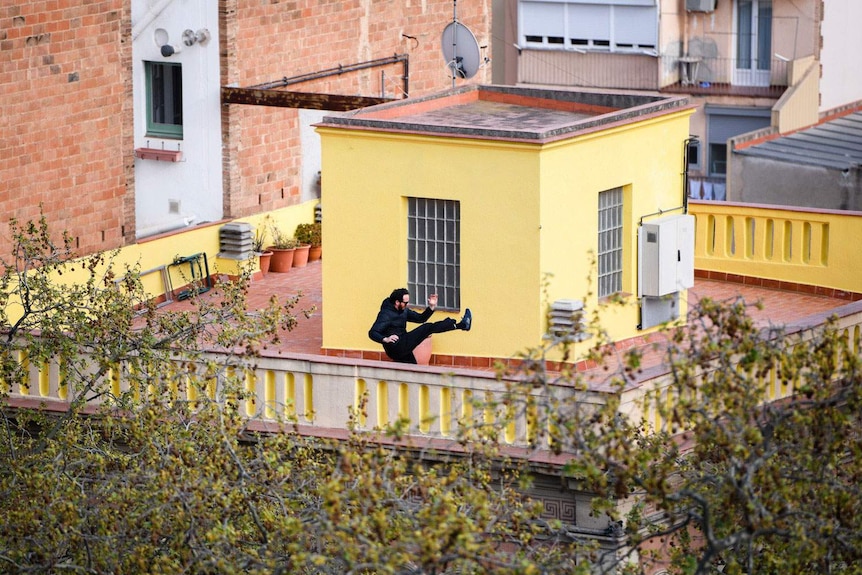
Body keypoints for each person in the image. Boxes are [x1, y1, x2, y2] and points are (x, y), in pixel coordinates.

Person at [368, 288, 472, 364]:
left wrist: (431, 307)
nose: (407, 304)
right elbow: (372, 332)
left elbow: (420, 319)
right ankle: (461, 325)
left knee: (412, 370)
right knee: (427, 328)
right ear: (397, 302)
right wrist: (385, 339)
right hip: (395, 347)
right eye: (405, 302)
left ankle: (460, 325)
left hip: (403, 344)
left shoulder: (403, 311)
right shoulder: (386, 314)